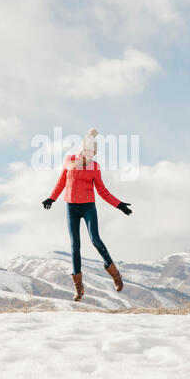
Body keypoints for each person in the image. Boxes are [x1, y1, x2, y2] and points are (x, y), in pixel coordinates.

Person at [42, 128, 132, 302]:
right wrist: (51, 198)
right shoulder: (70, 161)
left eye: (92, 153)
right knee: (75, 246)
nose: (89, 156)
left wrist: (119, 205)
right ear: (81, 150)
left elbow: (103, 191)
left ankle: (115, 275)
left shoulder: (95, 167)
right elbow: (61, 181)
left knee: (95, 239)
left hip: (88, 206)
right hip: (71, 207)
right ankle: (78, 287)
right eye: (87, 152)